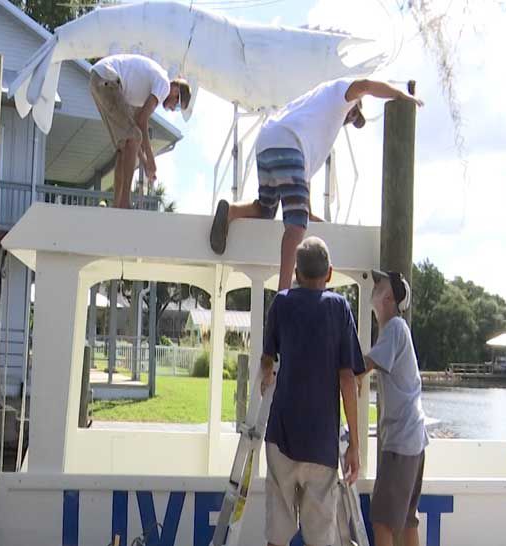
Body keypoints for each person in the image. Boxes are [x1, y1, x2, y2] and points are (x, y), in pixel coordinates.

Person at [209, 78, 422, 290]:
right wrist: (400, 95)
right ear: (354, 103)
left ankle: (231, 211)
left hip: (267, 142)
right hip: (289, 145)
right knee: (296, 223)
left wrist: (311, 215)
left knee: (266, 208)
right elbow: (365, 85)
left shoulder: (313, 114)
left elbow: (303, 181)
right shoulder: (340, 93)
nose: (350, 119)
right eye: (354, 113)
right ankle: (284, 292)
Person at [260, 236, 365, 546]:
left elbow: (267, 358)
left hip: (281, 435)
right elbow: (348, 378)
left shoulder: (281, 303)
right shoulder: (339, 308)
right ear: (329, 273)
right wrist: (355, 444)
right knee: (321, 538)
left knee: (277, 535)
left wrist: (266, 374)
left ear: (296, 272)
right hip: (321, 443)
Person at [362, 270, 428, 546]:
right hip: (413, 438)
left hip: (401, 441)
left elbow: (363, 365)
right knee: (407, 520)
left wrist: (332, 367)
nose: (375, 286)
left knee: (382, 521)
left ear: (389, 298)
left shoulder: (394, 328)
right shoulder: (396, 330)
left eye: (381, 284)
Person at [89, 54, 191, 208]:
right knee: (134, 137)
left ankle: (117, 204)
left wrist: (145, 163)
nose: (171, 109)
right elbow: (142, 122)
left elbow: (137, 126)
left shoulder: (143, 93)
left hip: (98, 79)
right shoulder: (164, 85)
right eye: (176, 106)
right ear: (176, 91)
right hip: (108, 79)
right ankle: (124, 203)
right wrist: (151, 159)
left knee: (124, 146)